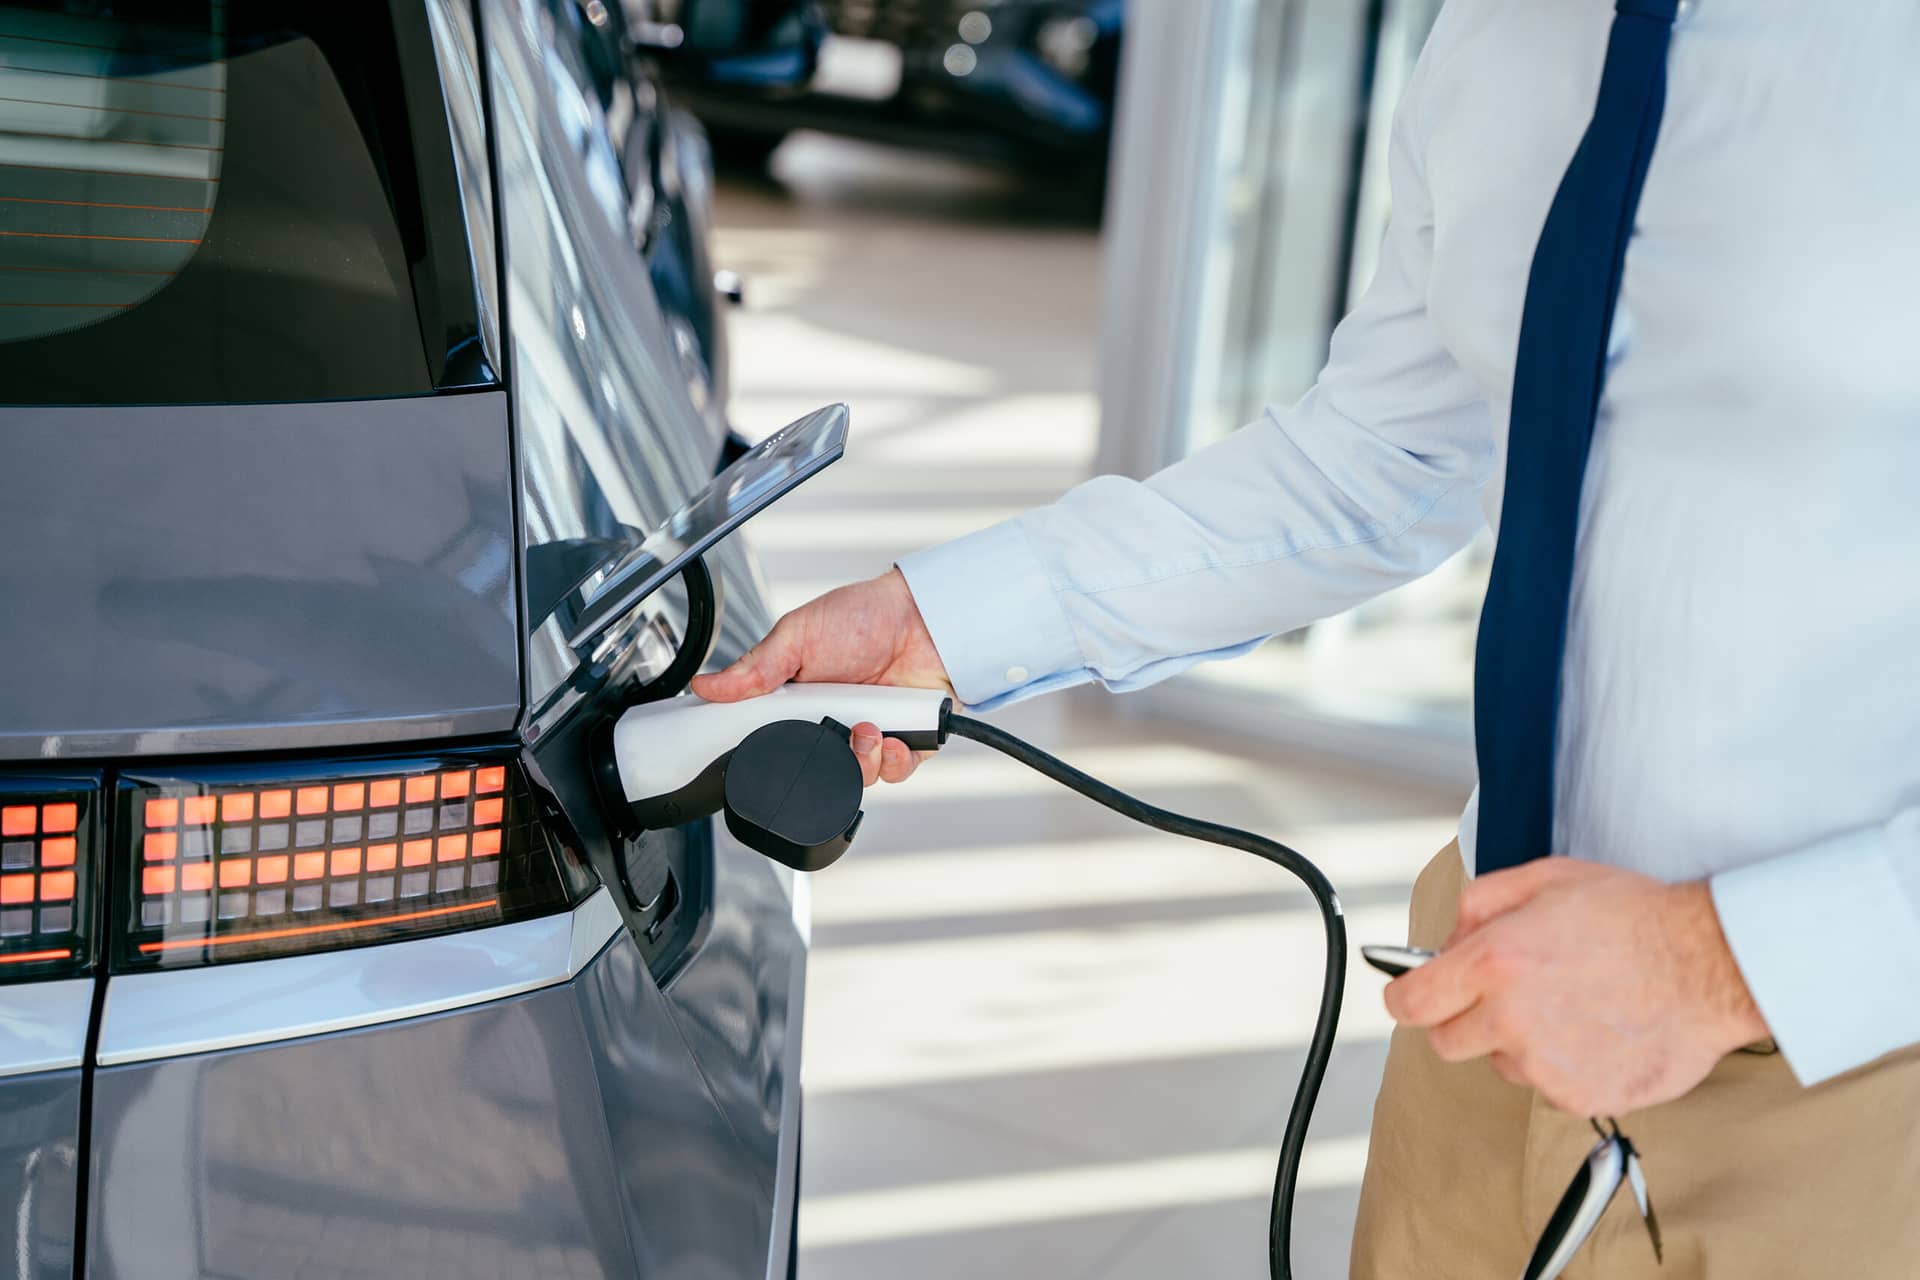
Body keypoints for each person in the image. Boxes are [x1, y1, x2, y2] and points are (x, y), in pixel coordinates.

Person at [694, 0, 1920, 1274]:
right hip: (1493, 994)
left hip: (1849, 1077)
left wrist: (1716, 965)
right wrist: (944, 617)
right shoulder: (1507, 35)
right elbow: (1382, 461)